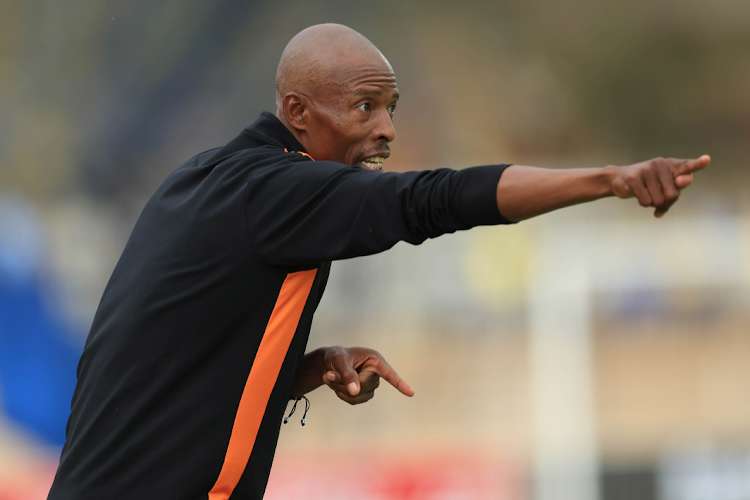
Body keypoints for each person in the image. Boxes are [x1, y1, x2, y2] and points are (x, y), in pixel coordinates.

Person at [48, 23, 710, 500]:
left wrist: (303, 368)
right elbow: (432, 200)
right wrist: (608, 180)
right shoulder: (279, 193)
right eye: (364, 107)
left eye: (390, 108)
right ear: (297, 112)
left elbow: (175, 371)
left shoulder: (207, 180)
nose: (386, 129)